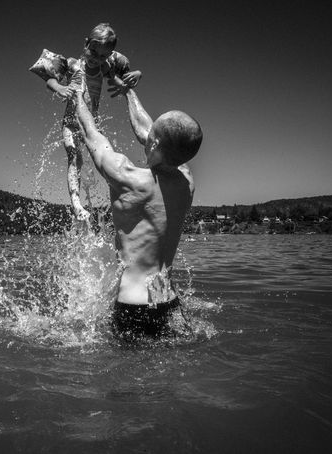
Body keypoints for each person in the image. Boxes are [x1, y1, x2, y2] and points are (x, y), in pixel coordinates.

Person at [72, 83, 202, 339]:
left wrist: (77, 94)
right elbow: (153, 135)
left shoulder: (127, 177)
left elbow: (90, 134)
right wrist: (128, 92)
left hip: (132, 306)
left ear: (153, 143)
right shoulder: (187, 180)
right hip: (168, 300)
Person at [29, 23, 142, 221]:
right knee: (75, 158)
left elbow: (119, 82)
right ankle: (76, 204)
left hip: (92, 127)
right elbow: (49, 79)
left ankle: (119, 202)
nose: (96, 58)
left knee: (105, 162)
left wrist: (136, 76)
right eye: (93, 52)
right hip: (71, 123)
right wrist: (61, 89)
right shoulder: (74, 65)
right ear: (86, 44)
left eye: (102, 56)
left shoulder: (104, 67)